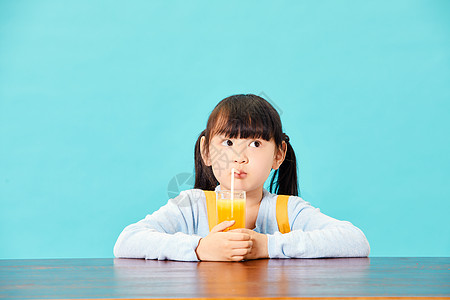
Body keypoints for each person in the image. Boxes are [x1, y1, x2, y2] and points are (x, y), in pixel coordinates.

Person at [113, 94, 370, 261]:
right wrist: (201, 248)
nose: (239, 157)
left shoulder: (287, 211)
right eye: (228, 142)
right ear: (206, 151)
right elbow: (127, 242)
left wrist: (265, 246)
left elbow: (356, 241)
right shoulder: (191, 205)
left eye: (255, 144)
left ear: (278, 155)